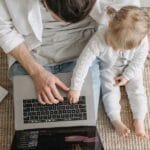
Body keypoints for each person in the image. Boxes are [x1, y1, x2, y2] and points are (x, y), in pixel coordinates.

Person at [0, 0, 140, 119]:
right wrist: (36, 72)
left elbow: (129, 6)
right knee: (33, 123)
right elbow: (3, 28)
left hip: (84, 50)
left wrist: (136, 35)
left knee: (81, 121)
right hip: (31, 54)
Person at [68, 6, 149, 139]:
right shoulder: (98, 39)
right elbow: (83, 62)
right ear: (109, 24)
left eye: (122, 48)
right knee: (109, 91)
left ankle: (139, 119)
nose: (117, 49)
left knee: (138, 90)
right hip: (109, 68)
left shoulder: (142, 41)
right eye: (114, 45)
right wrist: (75, 88)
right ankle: (115, 120)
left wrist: (127, 76)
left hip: (132, 67)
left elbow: (139, 61)